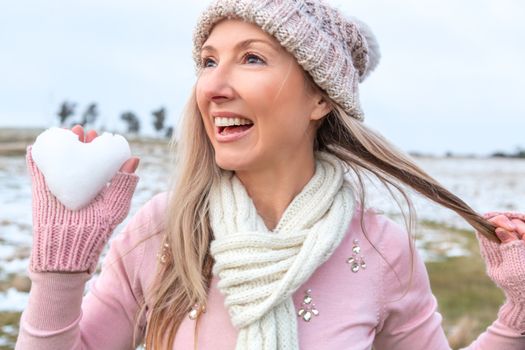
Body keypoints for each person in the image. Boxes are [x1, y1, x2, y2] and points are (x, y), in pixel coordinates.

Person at [15, 0, 525, 349]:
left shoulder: (380, 248)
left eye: (251, 58)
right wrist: (61, 267)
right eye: (208, 61)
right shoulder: (164, 229)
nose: (213, 86)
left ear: (321, 98)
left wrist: (518, 313)